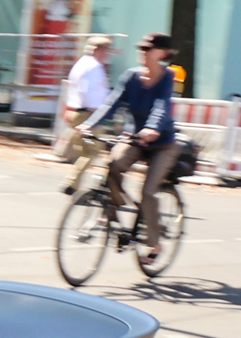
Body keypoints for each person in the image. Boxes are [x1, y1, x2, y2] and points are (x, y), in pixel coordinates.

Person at [87, 33, 181, 262]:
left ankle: (154, 244)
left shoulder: (168, 76)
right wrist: (89, 124)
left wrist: (152, 128)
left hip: (163, 144)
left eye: (150, 49)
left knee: (148, 191)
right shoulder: (131, 76)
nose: (144, 52)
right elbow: (112, 102)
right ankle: (114, 211)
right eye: (142, 48)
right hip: (137, 138)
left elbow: (161, 105)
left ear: (163, 54)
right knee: (114, 164)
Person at [59, 35, 114, 175]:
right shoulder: (94, 67)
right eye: (107, 49)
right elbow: (88, 92)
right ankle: (71, 183)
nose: (108, 53)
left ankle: (64, 158)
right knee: (91, 152)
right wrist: (98, 113)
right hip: (89, 114)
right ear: (99, 50)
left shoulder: (81, 63)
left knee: (83, 150)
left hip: (78, 111)